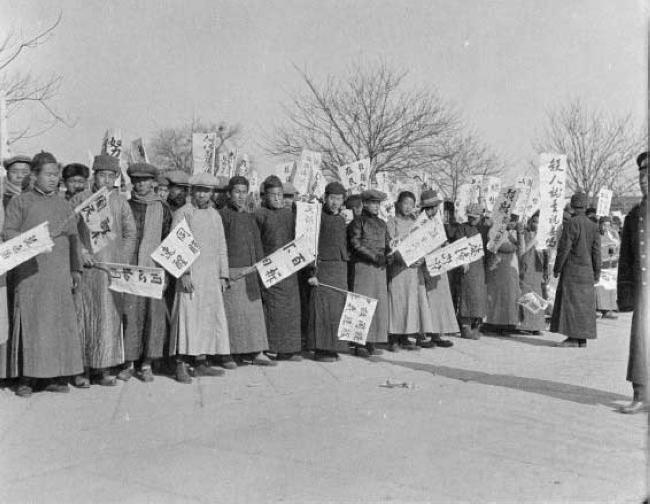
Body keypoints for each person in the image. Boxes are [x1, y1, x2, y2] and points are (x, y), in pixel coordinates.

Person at [4, 152, 84, 397]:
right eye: (48, 174)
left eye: (55, 175)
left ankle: (54, 376)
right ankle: (27, 378)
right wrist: (32, 241)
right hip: (30, 274)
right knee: (32, 323)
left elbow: (74, 239)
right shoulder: (21, 202)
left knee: (57, 323)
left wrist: (75, 268)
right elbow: (8, 232)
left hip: (59, 274)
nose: (53, 179)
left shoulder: (64, 204)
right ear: (35, 175)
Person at [74, 155, 138, 386]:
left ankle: (105, 369)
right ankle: (82, 369)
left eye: (112, 176)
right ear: (94, 175)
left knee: (109, 318)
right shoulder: (81, 199)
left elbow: (131, 233)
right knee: (84, 317)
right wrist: (82, 252)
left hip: (111, 269)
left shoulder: (121, 202)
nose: (107, 180)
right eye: (103, 175)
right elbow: (71, 232)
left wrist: (122, 258)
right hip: (87, 270)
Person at [170, 173, 229, 383]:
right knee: (187, 318)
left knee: (207, 318)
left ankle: (201, 362)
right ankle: (181, 364)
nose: (203, 195)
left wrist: (223, 274)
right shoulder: (183, 213)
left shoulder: (215, 215)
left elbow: (222, 245)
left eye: (207, 191)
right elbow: (176, 245)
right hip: (191, 274)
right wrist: (184, 273)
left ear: (212, 193)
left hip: (211, 275)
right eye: (199, 190)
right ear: (192, 191)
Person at [120, 162, 173, 382]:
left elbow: (168, 241)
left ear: (153, 182)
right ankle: (129, 362)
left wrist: (166, 273)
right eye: (137, 180)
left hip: (153, 267)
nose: (141, 184)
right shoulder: (125, 206)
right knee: (131, 314)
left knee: (153, 315)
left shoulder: (162, 208)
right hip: (130, 268)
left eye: (146, 180)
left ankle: (148, 363)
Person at [219, 176, 275, 366]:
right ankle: (231, 354)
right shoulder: (222, 215)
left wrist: (261, 266)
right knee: (234, 315)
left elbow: (257, 243)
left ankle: (257, 352)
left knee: (253, 315)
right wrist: (224, 271)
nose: (241, 196)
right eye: (237, 192)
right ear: (229, 194)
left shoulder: (250, 216)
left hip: (251, 270)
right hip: (233, 271)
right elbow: (219, 247)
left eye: (244, 192)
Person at [255, 176, 302, 361]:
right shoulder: (259, 214)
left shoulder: (289, 214)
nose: (277, 198)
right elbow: (256, 242)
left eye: (280, 195)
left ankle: (288, 349)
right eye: (272, 195)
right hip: (269, 266)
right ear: (264, 196)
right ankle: (271, 348)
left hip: (289, 267)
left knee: (291, 308)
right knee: (273, 309)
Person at [617, 152, 648, 414]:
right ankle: (641, 394)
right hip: (644, 292)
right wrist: (625, 294)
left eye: (648, 174)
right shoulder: (634, 215)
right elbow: (626, 258)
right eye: (641, 174)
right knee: (641, 343)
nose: (643, 179)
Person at [550, 192, 601, 347]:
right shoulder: (593, 226)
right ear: (585, 207)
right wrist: (597, 272)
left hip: (572, 271)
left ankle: (572, 338)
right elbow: (596, 252)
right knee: (584, 307)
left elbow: (564, 248)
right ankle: (582, 339)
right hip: (587, 272)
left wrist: (557, 268)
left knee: (571, 305)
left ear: (572, 206)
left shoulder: (571, 223)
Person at [306, 182, 350, 361]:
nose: (335, 202)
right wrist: (311, 273)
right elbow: (309, 246)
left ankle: (334, 347)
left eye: (339, 199)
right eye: (332, 198)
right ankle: (320, 349)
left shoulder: (341, 219)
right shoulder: (317, 217)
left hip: (339, 268)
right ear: (325, 198)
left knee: (337, 309)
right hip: (322, 268)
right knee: (321, 310)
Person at [347, 189, 390, 357]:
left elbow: (387, 243)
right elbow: (355, 243)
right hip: (363, 266)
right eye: (373, 203)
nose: (376, 206)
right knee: (361, 303)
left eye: (378, 203)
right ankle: (359, 343)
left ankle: (372, 340)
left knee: (378, 304)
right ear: (364, 203)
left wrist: (389, 255)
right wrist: (374, 257)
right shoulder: (357, 222)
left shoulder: (382, 223)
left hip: (379, 268)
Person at [385, 191, 423, 351]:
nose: (408, 207)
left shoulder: (416, 222)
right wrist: (406, 259)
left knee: (410, 301)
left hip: (413, 269)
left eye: (411, 204)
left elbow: (422, 241)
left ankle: (406, 336)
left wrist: (421, 258)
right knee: (396, 300)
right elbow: (391, 244)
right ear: (398, 203)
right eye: (405, 203)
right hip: (398, 267)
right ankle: (393, 338)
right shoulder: (392, 222)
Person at [419, 191, 457, 347]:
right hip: (425, 263)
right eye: (434, 206)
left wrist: (446, 246)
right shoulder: (420, 222)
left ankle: (437, 333)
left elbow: (442, 240)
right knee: (425, 299)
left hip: (439, 262)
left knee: (439, 299)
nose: (436, 209)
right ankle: (422, 334)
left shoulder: (437, 221)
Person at [451, 203, 488, 340]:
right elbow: (459, 245)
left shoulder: (483, 229)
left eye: (475, 217)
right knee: (467, 295)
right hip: (467, 266)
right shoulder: (462, 228)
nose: (473, 219)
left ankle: (475, 325)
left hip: (480, 266)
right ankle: (465, 327)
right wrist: (463, 261)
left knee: (478, 296)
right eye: (471, 217)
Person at [483, 216, 521, 335]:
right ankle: (493, 323)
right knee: (496, 295)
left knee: (509, 296)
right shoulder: (495, 230)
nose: (513, 224)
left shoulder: (512, 233)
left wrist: (518, 235)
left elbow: (521, 247)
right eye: (511, 221)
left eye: (515, 221)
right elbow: (499, 246)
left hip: (510, 268)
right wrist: (515, 245)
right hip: (498, 267)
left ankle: (508, 323)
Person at [517, 211, 547, 334]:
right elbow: (522, 251)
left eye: (539, 222)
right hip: (527, 266)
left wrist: (547, 271)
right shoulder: (526, 234)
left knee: (537, 295)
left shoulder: (544, 237)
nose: (536, 224)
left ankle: (536, 325)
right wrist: (534, 239)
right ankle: (525, 325)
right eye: (534, 221)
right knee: (526, 293)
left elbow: (547, 254)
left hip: (538, 268)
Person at [595, 216, 620, 319]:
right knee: (600, 289)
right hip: (600, 265)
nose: (606, 227)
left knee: (609, 288)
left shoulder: (613, 234)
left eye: (608, 225)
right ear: (599, 224)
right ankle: (599, 309)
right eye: (604, 225)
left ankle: (608, 309)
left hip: (611, 265)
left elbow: (618, 245)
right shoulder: (596, 234)